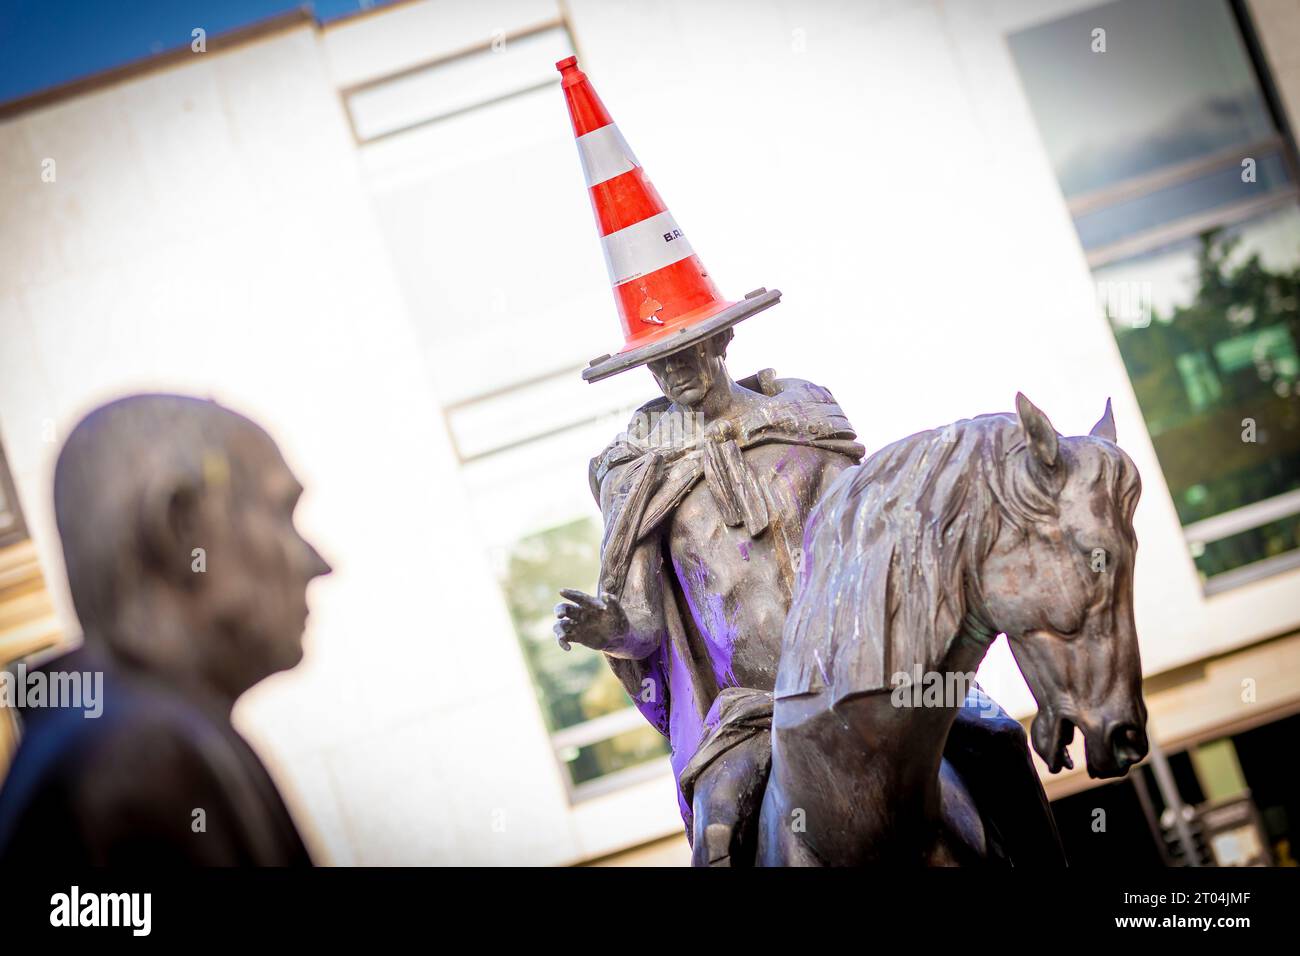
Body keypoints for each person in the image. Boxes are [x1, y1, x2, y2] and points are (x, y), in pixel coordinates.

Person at [0, 394, 329, 865]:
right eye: (282, 512)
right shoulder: (142, 757)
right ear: (181, 526)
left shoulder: (116, 734)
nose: (320, 563)